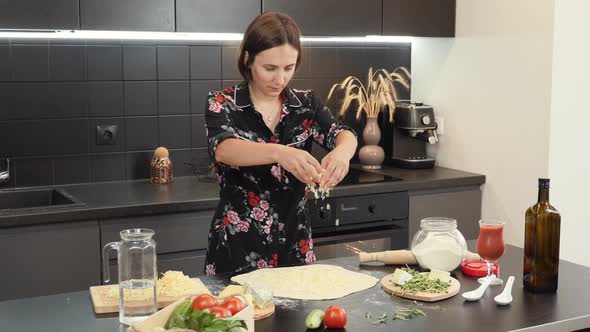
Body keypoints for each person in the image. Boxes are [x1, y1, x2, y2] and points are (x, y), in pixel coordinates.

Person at [203, 12, 358, 276]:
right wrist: (280, 153)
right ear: (247, 60)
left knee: (297, 316)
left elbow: (343, 133)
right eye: (270, 68)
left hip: (295, 244)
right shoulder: (223, 103)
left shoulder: (306, 104)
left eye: (289, 68)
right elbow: (224, 149)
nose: (280, 79)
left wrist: (342, 154)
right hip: (237, 246)